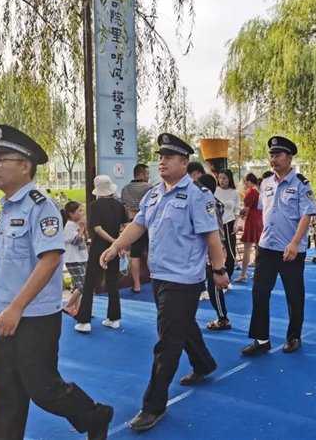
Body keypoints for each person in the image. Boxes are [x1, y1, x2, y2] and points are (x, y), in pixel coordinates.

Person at [0, 124, 112, 440]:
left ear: (25, 166)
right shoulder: (6, 207)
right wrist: (4, 310)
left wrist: (16, 308)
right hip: (2, 314)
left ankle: (96, 415)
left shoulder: (41, 206)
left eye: (1, 160)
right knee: (6, 394)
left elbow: (51, 260)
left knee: (44, 389)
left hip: (32, 317)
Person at [99, 133, 229, 432]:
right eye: (160, 157)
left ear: (184, 163)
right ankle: (203, 362)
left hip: (184, 280)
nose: (162, 162)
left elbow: (212, 237)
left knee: (167, 343)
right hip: (159, 276)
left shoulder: (198, 196)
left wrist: (219, 270)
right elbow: (138, 224)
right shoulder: (154, 194)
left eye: (169, 157)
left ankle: (153, 405)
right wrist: (115, 246)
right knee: (180, 325)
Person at [241, 136, 316, 356]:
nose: (273, 159)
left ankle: (294, 337)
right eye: (272, 156)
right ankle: (261, 339)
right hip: (267, 247)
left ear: (289, 158)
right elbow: (264, 212)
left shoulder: (301, 184)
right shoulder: (266, 183)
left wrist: (295, 243)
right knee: (259, 292)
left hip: (290, 250)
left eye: (278, 155)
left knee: (294, 295)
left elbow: (307, 215)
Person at [74, 175, 128, 333]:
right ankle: (114, 318)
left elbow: (97, 229)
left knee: (90, 283)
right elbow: (127, 226)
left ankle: (84, 321)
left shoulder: (95, 205)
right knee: (113, 282)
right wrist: (119, 243)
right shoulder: (119, 205)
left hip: (99, 248)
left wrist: (114, 242)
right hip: (114, 249)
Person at [198, 173, 232, 330]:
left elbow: (216, 232)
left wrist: (218, 252)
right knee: (211, 283)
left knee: (215, 285)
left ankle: (223, 318)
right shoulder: (214, 202)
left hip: (214, 249)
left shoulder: (210, 204)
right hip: (212, 248)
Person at [120, 163, 152, 293]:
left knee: (135, 254)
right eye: (147, 174)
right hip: (148, 223)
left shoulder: (125, 189)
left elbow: (124, 207)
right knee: (152, 252)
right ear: (141, 175)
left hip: (132, 223)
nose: (149, 177)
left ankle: (137, 285)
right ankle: (154, 280)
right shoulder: (149, 188)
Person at [61, 201, 88, 317]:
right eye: (79, 211)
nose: (81, 213)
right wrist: (81, 228)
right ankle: (68, 305)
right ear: (71, 214)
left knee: (77, 285)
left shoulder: (77, 224)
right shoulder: (69, 226)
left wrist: (84, 228)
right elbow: (76, 241)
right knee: (83, 284)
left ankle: (78, 309)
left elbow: (86, 239)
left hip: (81, 257)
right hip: (73, 259)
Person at [235, 173, 263, 283]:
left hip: (252, 220)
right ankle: (257, 272)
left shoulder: (250, 191)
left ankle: (243, 274)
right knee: (258, 247)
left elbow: (246, 207)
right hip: (259, 219)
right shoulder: (259, 191)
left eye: (246, 182)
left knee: (247, 248)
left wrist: (238, 214)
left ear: (249, 181)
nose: (245, 184)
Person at [215, 169, 241, 280]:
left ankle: (228, 276)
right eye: (220, 178)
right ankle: (215, 275)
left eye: (224, 178)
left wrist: (236, 223)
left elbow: (237, 209)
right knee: (216, 250)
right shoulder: (214, 191)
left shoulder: (235, 193)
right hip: (215, 224)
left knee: (230, 251)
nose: (221, 180)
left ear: (229, 179)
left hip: (229, 223)